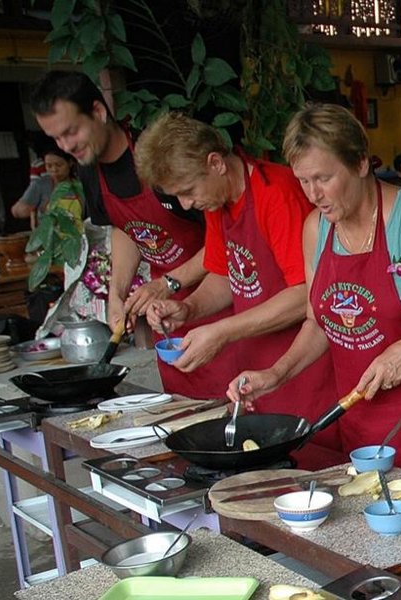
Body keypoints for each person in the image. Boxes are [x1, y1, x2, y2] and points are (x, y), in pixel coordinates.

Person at [227, 104, 401, 489]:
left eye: (323, 178)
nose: (313, 194)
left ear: (359, 163)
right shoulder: (315, 228)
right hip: (360, 425)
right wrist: (276, 374)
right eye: (303, 181)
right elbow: (318, 324)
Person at [135, 113, 339, 444]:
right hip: (258, 367)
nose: (186, 204)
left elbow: (306, 295)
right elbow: (226, 274)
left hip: (304, 368)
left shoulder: (276, 194)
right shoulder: (219, 202)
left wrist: (222, 331)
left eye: (188, 191)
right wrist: (188, 308)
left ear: (215, 162)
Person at [30, 70, 231, 398]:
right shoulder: (89, 168)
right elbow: (125, 229)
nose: (67, 146)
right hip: (165, 316)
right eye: (56, 139)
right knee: (183, 412)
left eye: (71, 132)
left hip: (220, 301)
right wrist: (116, 294)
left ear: (97, 112)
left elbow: (224, 239)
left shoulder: (156, 156)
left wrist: (168, 282)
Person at [12, 145, 84, 229]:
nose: (54, 170)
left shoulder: (81, 185)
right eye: (49, 166)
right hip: (48, 237)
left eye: (59, 165)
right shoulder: (40, 185)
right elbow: (16, 211)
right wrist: (23, 209)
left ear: (70, 163)